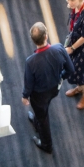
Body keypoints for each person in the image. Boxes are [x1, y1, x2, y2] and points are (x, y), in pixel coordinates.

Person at [22, 22, 74, 154]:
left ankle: (46, 144)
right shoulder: (59, 48)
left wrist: (25, 96)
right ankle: (36, 121)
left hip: (39, 95)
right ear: (46, 36)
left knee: (43, 117)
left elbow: (29, 84)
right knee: (43, 110)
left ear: (33, 41)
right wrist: (61, 77)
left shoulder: (30, 61)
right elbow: (70, 69)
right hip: (54, 89)